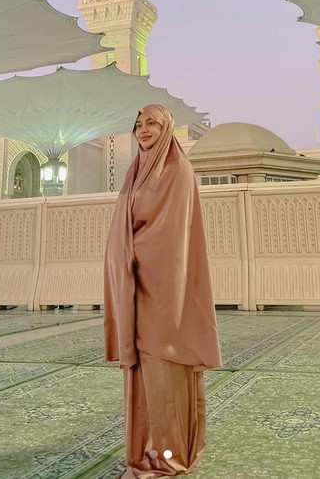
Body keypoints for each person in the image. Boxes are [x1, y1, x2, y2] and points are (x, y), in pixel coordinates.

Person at [104, 104, 222, 478]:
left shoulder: (177, 171)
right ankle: (144, 452)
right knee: (142, 373)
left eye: (151, 123)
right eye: (138, 124)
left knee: (164, 371)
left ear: (166, 127)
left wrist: (130, 252)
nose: (142, 130)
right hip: (135, 289)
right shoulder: (137, 169)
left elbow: (170, 239)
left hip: (163, 291)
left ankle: (167, 456)